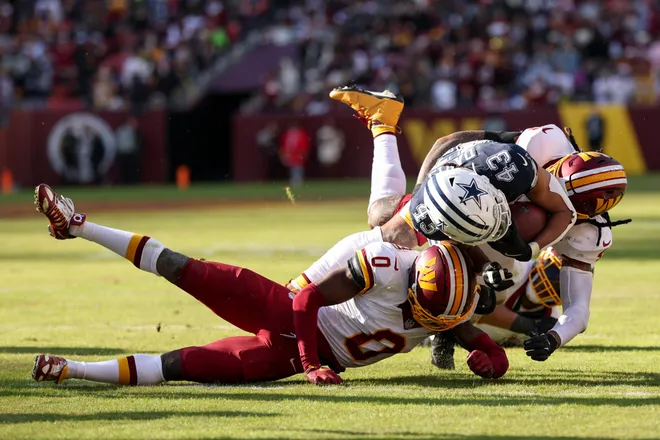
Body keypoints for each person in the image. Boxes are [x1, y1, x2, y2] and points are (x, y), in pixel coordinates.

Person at [31, 184, 509, 386]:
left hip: (288, 356)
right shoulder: (387, 264)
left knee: (184, 366)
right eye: (426, 314)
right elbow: (306, 298)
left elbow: (481, 339)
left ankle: (70, 370)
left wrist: (493, 360)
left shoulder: (450, 299)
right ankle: (76, 224)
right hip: (289, 314)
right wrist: (311, 363)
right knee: (184, 269)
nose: (429, 325)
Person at [290, 89, 628, 365]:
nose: (548, 186)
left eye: (560, 194)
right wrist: (423, 198)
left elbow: (579, 310)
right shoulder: (539, 146)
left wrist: (554, 336)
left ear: (583, 212)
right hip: (460, 208)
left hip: (503, 254)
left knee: (476, 292)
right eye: (552, 174)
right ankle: (383, 123)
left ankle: (383, 122)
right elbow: (449, 143)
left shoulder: (585, 233)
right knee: (383, 222)